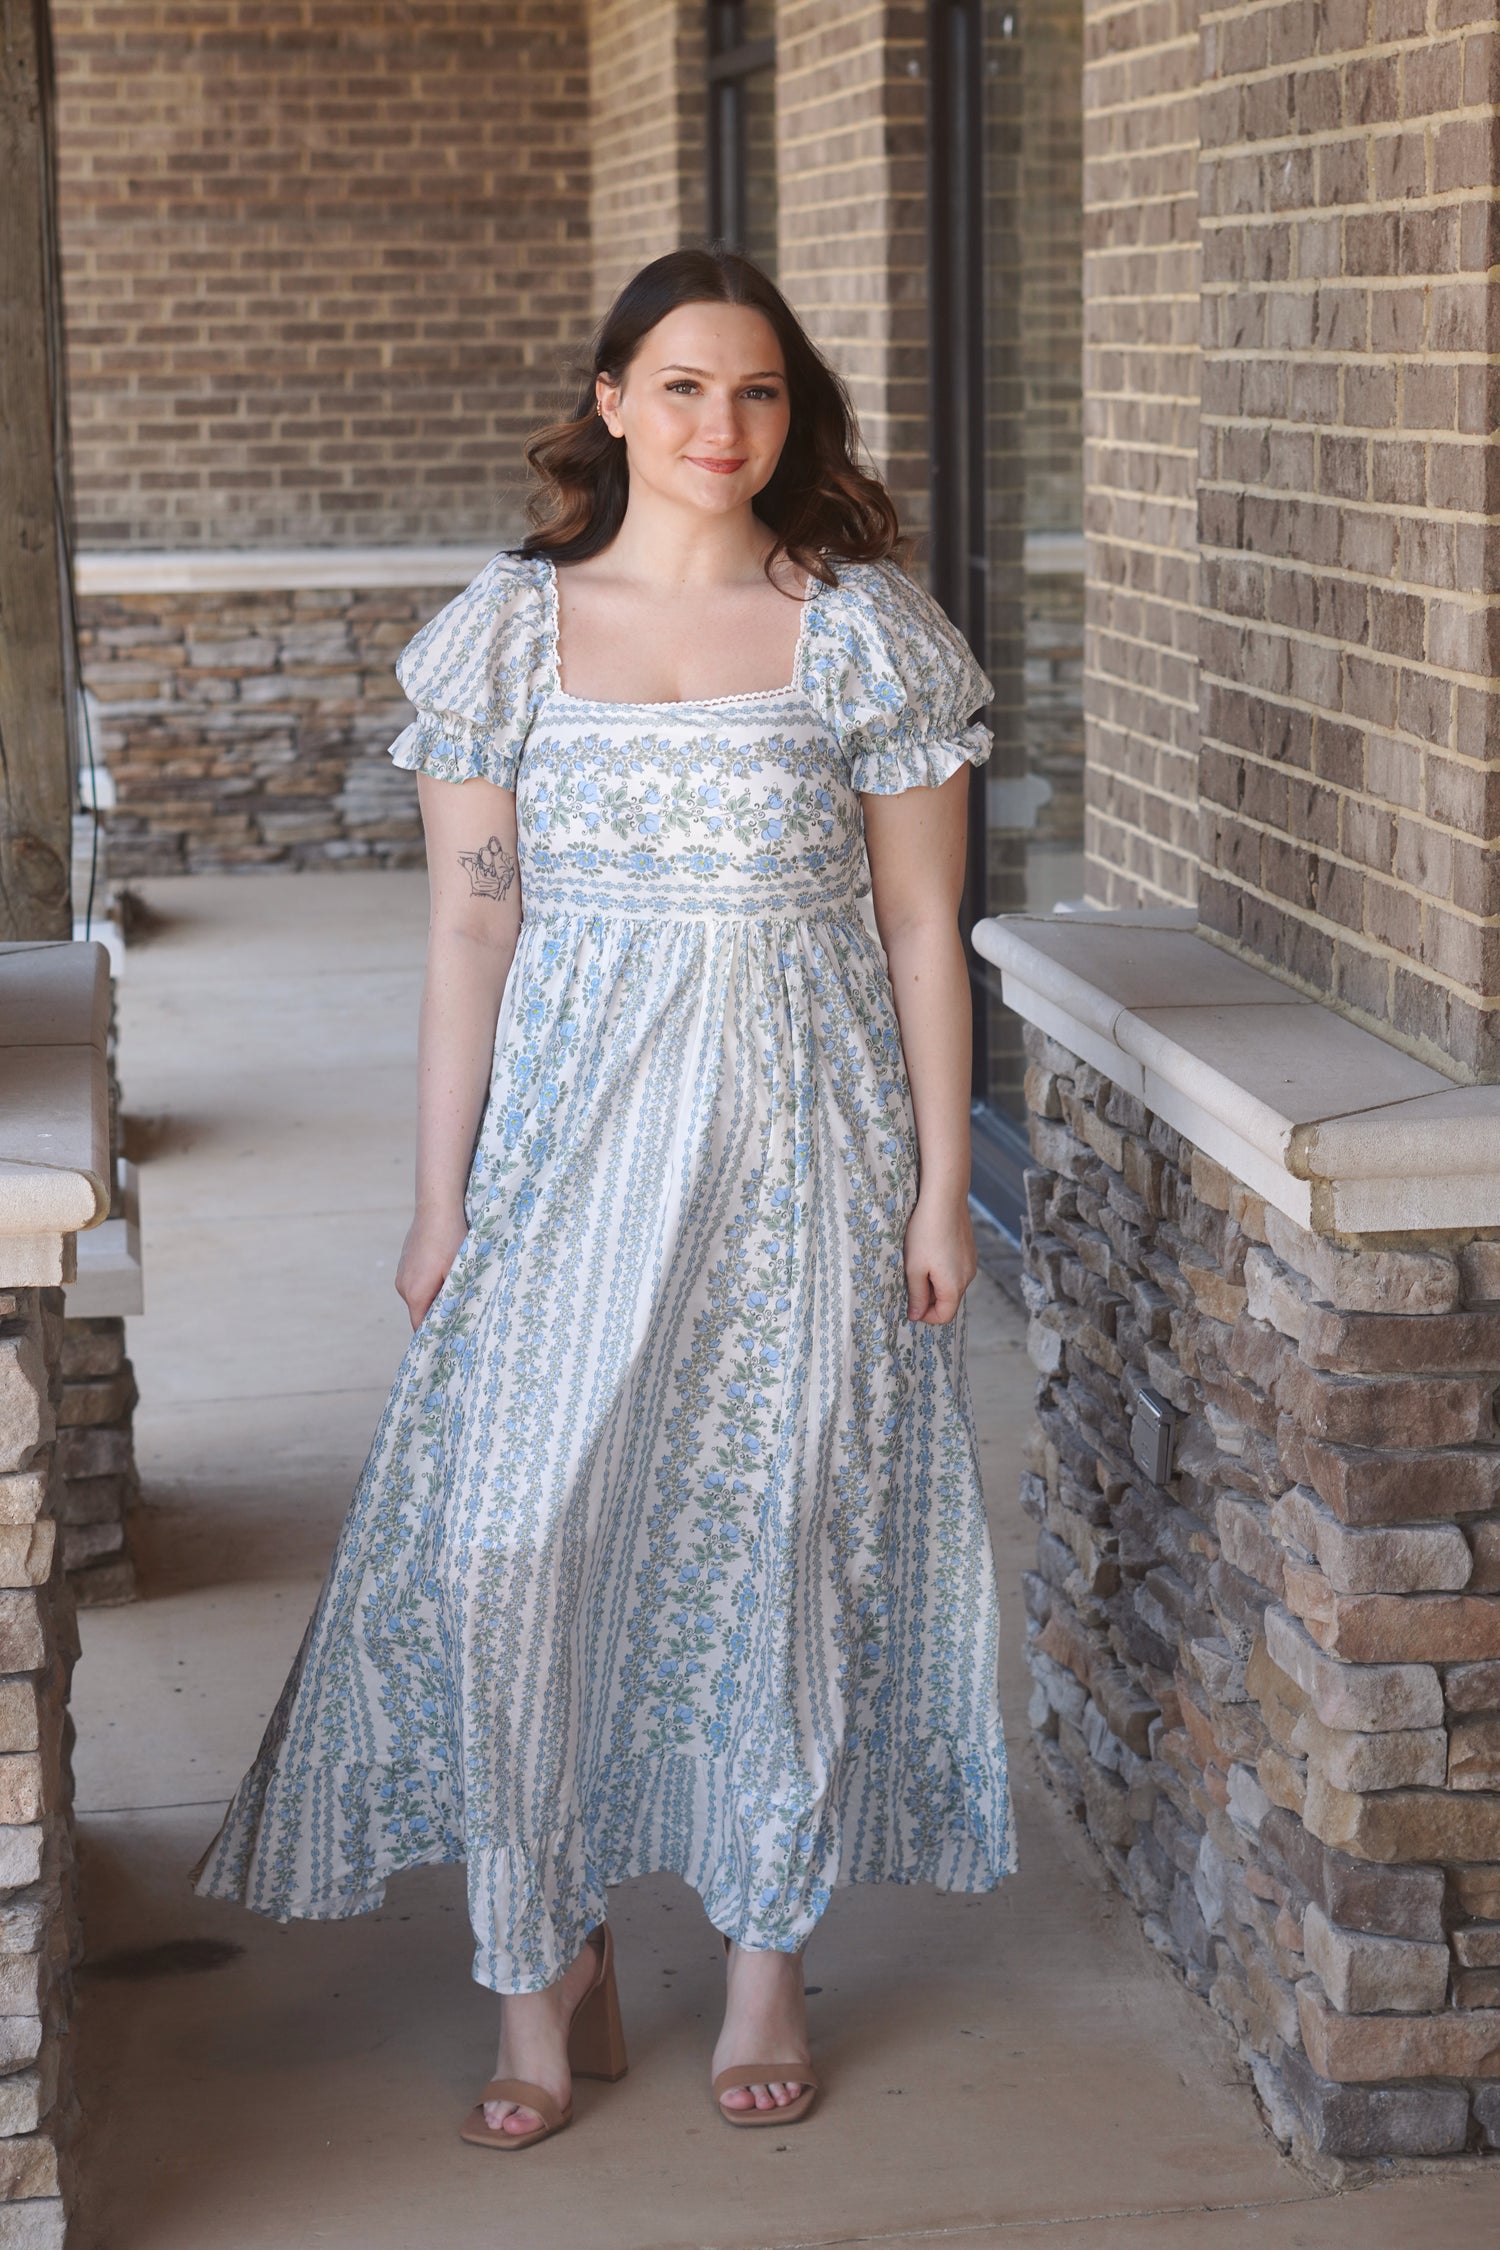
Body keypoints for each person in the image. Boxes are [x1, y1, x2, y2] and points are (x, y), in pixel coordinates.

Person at [193, 246, 1016, 2149]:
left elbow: (921, 925)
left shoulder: (862, 633)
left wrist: (943, 1185)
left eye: (759, 391)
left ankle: (763, 1958)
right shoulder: (509, 631)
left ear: (792, 416)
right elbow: (470, 932)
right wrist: (438, 1198)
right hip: (566, 1152)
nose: (723, 424)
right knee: (508, 1543)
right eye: (685, 385)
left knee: (777, 1543)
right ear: (613, 400)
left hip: (803, 1151)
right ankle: (540, 1953)